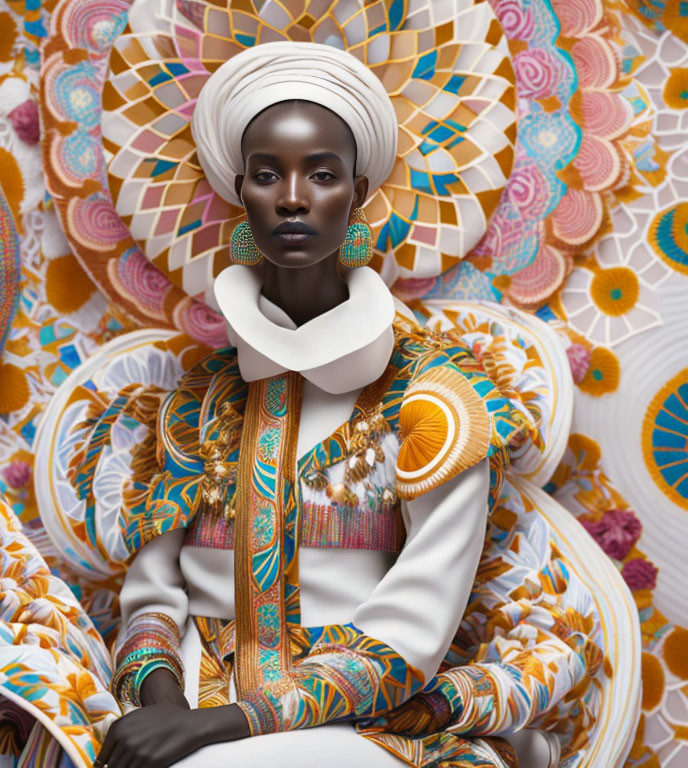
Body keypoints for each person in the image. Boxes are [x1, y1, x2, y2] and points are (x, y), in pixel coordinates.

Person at [90, 42, 591, 768]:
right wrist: (167, 718)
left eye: (321, 175)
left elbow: (409, 631)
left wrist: (212, 733)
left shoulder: (432, 400)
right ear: (241, 192)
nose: (292, 196)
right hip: (189, 709)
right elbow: (151, 599)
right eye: (267, 175)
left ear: (356, 193)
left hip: (358, 726)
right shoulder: (194, 404)